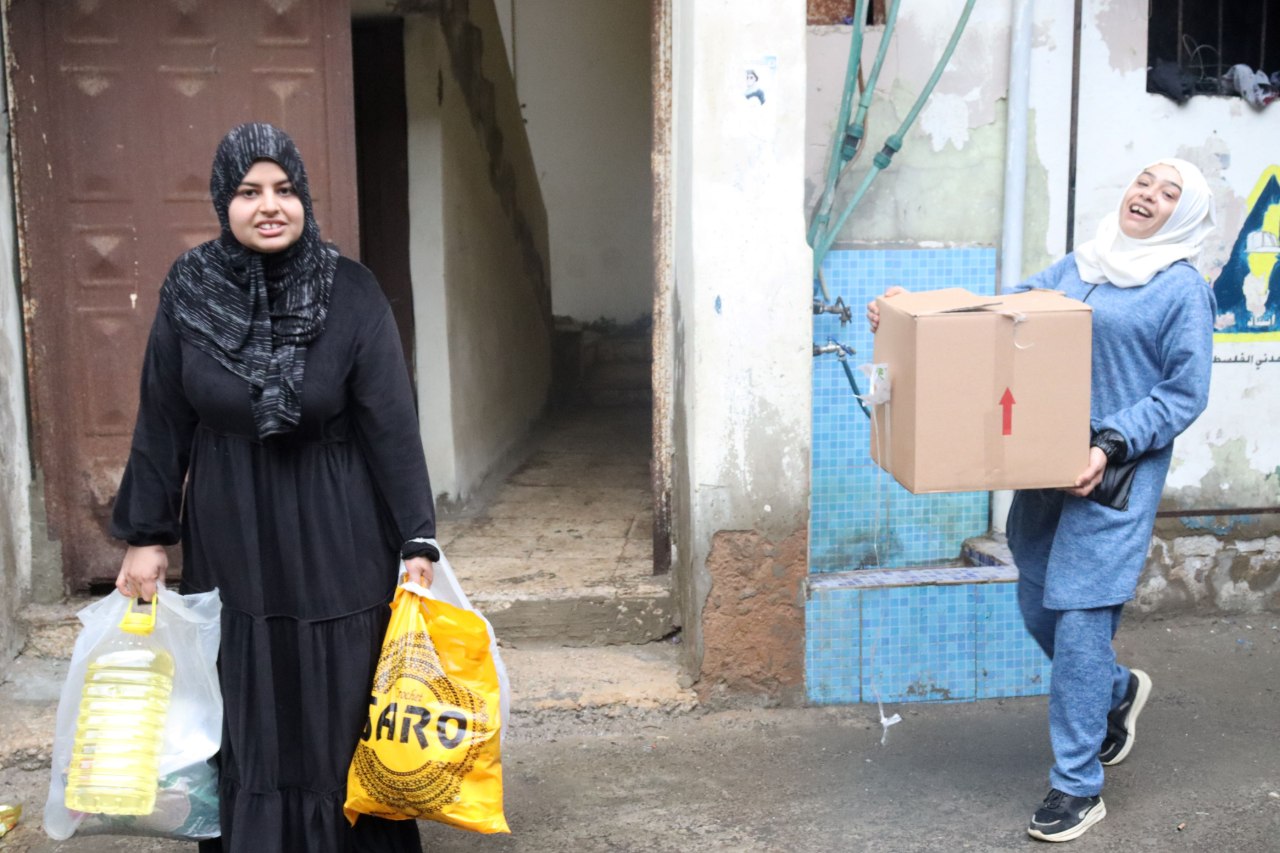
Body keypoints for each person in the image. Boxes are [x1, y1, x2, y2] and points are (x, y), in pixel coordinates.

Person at [112, 122, 439, 853]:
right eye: (248, 191)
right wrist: (147, 536)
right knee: (246, 684)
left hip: (338, 524)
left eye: (285, 190)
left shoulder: (351, 292)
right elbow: (162, 416)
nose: (269, 206)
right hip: (232, 523)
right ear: (222, 202)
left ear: (304, 198)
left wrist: (417, 537)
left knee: (340, 686)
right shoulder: (189, 290)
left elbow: (392, 423)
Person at [868, 158, 1216, 843]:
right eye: (1144, 182)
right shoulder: (1085, 266)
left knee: (1081, 625)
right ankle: (1116, 692)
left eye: (1169, 193)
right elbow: (1005, 313)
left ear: (1185, 215)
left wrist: (1110, 444)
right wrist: (915, 309)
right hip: (1044, 464)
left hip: (1111, 478)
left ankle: (1077, 786)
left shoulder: (1182, 291)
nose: (1148, 195)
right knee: (1036, 604)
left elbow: (1184, 392)